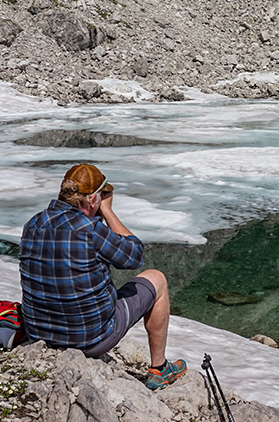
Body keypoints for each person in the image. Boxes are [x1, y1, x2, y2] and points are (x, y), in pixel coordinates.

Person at [18, 163, 187, 390]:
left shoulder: (33, 223)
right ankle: (159, 368)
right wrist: (107, 211)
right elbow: (134, 255)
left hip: (39, 331)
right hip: (91, 337)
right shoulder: (89, 230)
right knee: (157, 279)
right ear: (92, 200)